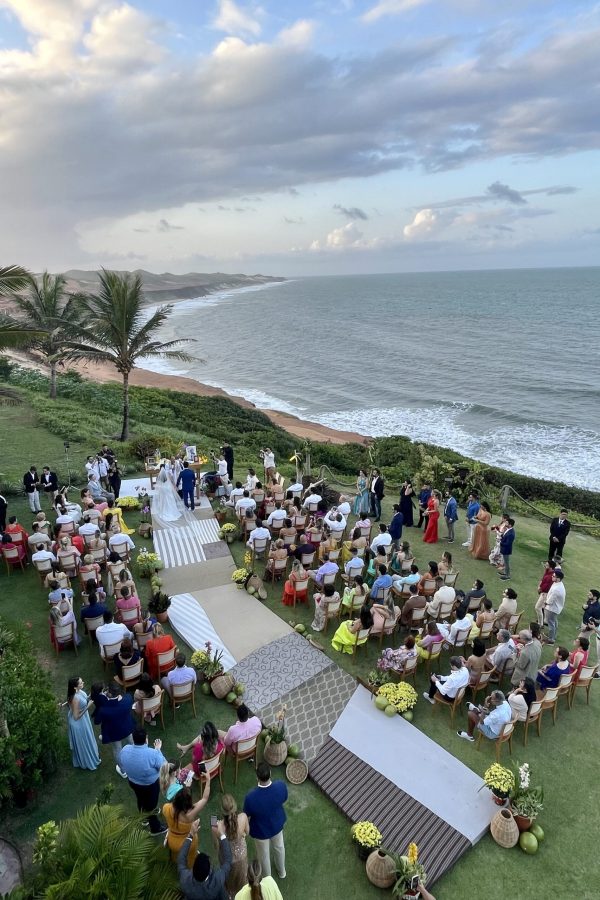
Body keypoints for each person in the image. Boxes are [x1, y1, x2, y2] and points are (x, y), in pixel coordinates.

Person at [118, 728, 167, 835]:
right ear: (146, 740)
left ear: (134, 739)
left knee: (140, 799)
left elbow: (121, 761)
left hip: (133, 783)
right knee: (151, 806)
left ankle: (143, 819)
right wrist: (158, 749)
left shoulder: (125, 749)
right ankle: (155, 828)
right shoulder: (153, 754)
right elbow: (164, 767)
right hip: (150, 786)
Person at [243, 762, 287, 880]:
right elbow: (283, 799)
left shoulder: (250, 798)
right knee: (279, 848)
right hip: (277, 826)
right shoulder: (281, 786)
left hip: (260, 832)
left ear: (257, 777)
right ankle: (282, 872)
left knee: (264, 855)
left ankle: (268, 879)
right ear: (270, 773)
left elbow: (246, 816)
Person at [177, 818, 231, 900]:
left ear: (193, 868)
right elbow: (227, 861)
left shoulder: (184, 879)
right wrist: (222, 834)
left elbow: (181, 859)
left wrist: (191, 834)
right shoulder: (218, 879)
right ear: (209, 870)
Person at [164, 781, 211, 867]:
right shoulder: (189, 816)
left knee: (176, 854)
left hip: (172, 841)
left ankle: (175, 860)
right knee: (191, 858)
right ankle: (189, 866)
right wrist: (208, 780)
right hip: (188, 844)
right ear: (188, 802)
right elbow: (205, 798)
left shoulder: (166, 808)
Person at [211, 794, 250, 897]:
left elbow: (216, 846)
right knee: (242, 879)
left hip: (226, 860)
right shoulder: (243, 817)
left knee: (229, 881)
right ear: (235, 806)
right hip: (241, 856)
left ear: (222, 810)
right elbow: (248, 832)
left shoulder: (214, 823)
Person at [66, 676, 100, 770]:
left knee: (88, 738)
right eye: (81, 683)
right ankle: (87, 761)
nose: (83, 683)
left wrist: (90, 696)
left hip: (83, 719)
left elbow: (83, 698)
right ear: (74, 687)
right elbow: (76, 717)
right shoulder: (75, 699)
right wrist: (88, 706)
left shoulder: (78, 692)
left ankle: (92, 755)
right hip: (78, 723)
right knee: (84, 742)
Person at [95, 681, 135, 760]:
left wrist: (103, 700)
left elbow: (97, 721)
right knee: (133, 743)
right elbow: (124, 698)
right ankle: (136, 756)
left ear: (109, 693)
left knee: (117, 750)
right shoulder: (128, 699)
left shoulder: (103, 710)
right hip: (127, 727)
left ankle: (123, 770)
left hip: (114, 733)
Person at [544, 571, 566, 644]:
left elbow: (551, 600)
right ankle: (553, 635)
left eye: (554, 576)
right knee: (554, 622)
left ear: (558, 578)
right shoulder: (558, 583)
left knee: (551, 623)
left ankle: (551, 640)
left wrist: (545, 603)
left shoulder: (557, 589)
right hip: (556, 608)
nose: (552, 577)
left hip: (552, 608)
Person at [535, 561, 556, 627]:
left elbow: (546, 586)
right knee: (540, 607)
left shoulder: (551, 576)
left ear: (551, 567)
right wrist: (539, 586)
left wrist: (540, 589)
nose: (545, 565)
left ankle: (540, 624)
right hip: (543, 592)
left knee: (538, 607)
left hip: (545, 593)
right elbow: (543, 579)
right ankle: (541, 622)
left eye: (547, 565)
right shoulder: (547, 571)